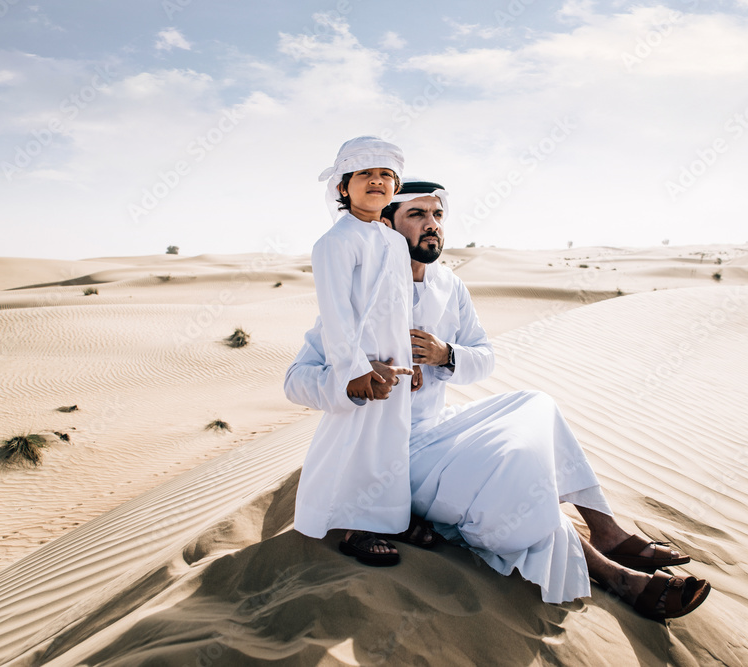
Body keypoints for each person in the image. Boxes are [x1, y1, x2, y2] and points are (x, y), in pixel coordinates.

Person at [286, 179, 710, 620]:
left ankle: (605, 529)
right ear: (388, 226)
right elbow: (297, 380)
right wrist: (358, 382)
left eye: (437, 215)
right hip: (384, 458)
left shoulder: (449, 286)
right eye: (417, 215)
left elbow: (485, 358)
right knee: (513, 476)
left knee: (536, 404)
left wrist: (445, 355)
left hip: (436, 430)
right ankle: (618, 576)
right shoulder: (360, 292)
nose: (432, 226)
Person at [291, 136, 418, 567]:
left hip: (392, 363)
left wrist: (409, 362)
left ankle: (383, 519)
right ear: (344, 187)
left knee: (388, 444)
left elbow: (401, 306)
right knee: (352, 442)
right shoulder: (336, 241)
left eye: (385, 174)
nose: (376, 182)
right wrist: (354, 370)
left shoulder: (394, 241)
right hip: (361, 366)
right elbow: (336, 313)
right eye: (365, 174)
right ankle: (349, 525)